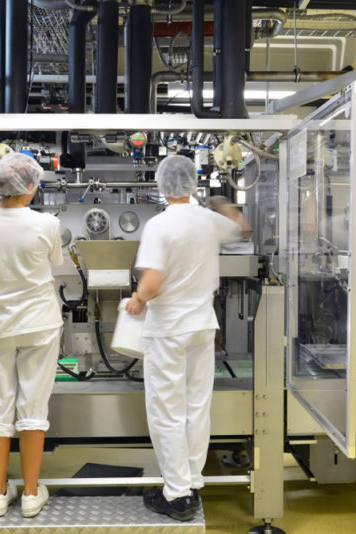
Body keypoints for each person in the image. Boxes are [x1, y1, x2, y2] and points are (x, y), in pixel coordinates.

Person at [125, 155, 249, 521]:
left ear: (161, 186)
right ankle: (192, 482)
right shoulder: (208, 220)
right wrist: (220, 202)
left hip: (168, 328)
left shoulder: (159, 225)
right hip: (202, 326)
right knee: (196, 406)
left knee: (167, 410)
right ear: (192, 184)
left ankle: (177, 494)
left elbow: (151, 282)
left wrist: (137, 300)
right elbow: (240, 227)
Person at [0, 152, 64, 518]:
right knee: (33, 407)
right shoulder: (47, 223)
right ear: (30, 186)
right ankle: (32, 493)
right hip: (39, 324)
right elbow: (55, 262)